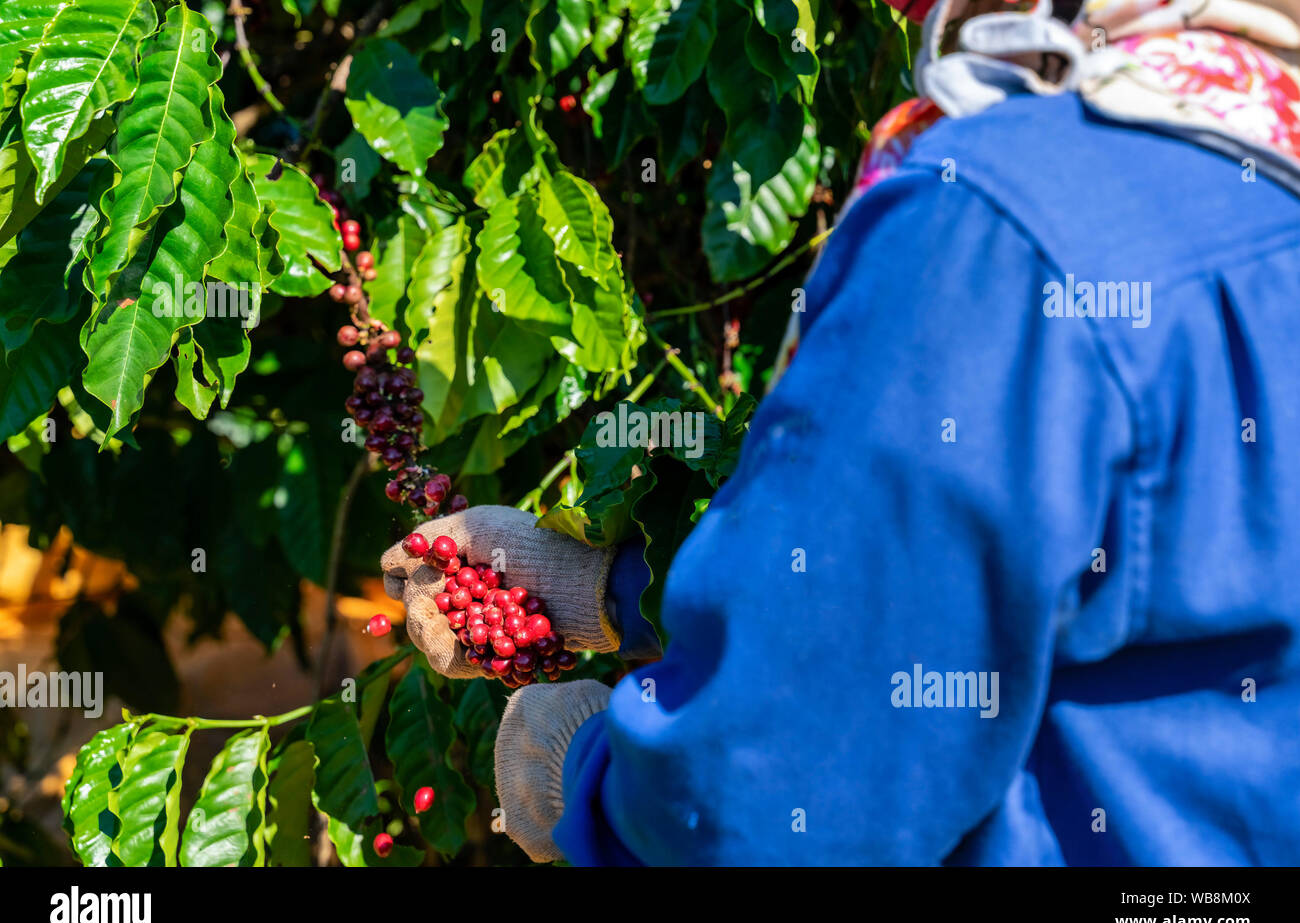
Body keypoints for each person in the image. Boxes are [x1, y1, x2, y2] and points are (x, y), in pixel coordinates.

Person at [381, 0, 1300, 864]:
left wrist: (587, 785)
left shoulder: (999, 225)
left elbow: (771, 801)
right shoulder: (1258, 197)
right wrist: (612, 593)